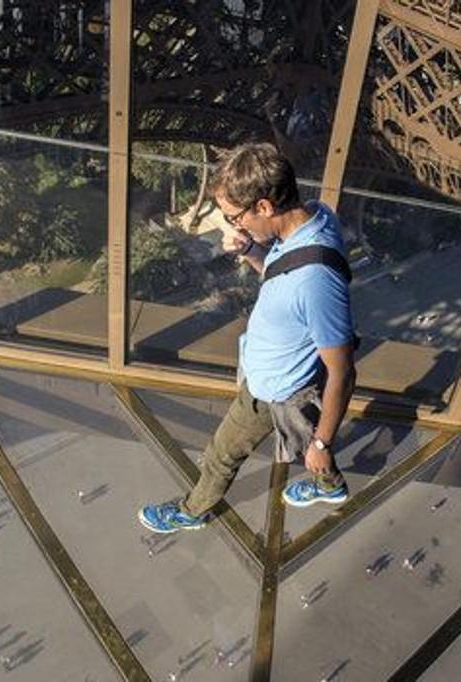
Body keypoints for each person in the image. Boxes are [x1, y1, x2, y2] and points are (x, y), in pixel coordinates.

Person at [138, 142, 357, 533]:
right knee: (307, 447)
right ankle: (330, 483)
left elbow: (342, 371)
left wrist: (324, 444)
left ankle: (192, 512)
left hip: (282, 389)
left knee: (224, 453)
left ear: (264, 207)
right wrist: (254, 251)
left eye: (234, 217)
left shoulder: (316, 280)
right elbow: (281, 279)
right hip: (278, 378)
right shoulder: (316, 219)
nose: (233, 225)